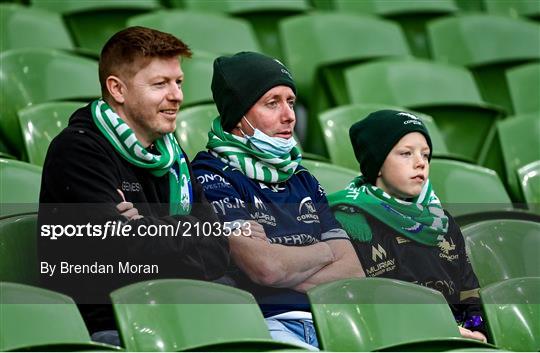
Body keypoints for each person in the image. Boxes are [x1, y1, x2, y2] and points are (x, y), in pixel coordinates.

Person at [38, 26, 229, 342]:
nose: (177, 95)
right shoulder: (78, 151)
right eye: (160, 84)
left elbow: (219, 248)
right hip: (111, 329)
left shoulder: (173, 156)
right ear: (117, 89)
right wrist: (189, 228)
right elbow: (124, 251)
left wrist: (147, 226)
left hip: (181, 316)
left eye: (178, 82)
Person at [191, 51, 364, 350]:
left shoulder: (302, 177)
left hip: (335, 322)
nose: (290, 116)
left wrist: (283, 266)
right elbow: (266, 268)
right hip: (267, 327)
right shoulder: (211, 174)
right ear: (238, 115)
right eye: (272, 103)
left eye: (291, 102)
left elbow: (353, 271)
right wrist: (326, 251)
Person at [328, 110, 487, 342]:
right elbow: (364, 304)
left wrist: (477, 331)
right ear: (378, 165)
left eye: (426, 155)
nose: (420, 163)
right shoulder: (349, 219)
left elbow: (470, 295)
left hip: (457, 338)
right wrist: (441, 329)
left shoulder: (442, 221)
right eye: (406, 153)